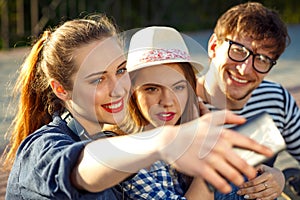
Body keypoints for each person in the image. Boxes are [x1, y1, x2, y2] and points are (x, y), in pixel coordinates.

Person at [1, 14, 274, 199]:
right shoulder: (41, 148)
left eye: (121, 71)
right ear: (61, 89)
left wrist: (273, 179)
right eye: (98, 79)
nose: (118, 88)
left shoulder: (122, 136)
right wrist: (162, 141)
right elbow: (82, 167)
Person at [196, 2, 300, 200]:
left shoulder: (275, 98)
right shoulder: (179, 104)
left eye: (261, 59)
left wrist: (279, 179)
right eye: (238, 51)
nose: (244, 69)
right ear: (213, 47)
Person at [109, 26, 213, 199]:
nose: (167, 101)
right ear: (131, 93)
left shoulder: (185, 135)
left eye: (178, 87)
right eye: (152, 89)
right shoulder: (125, 151)